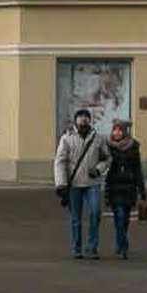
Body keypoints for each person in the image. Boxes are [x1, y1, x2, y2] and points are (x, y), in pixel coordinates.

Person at [53, 109, 110, 260]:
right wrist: (61, 184)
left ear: (89, 121)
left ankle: (92, 247)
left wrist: (98, 169)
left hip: (92, 183)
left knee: (95, 212)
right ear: (75, 121)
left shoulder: (98, 138)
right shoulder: (67, 138)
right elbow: (60, 162)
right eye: (80, 118)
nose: (83, 120)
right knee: (75, 217)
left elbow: (107, 158)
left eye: (86, 118)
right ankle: (76, 248)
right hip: (74, 184)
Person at [103, 119, 146, 259]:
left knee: (125, 218)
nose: (117, 133)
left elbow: (137, 169)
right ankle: (123, 246)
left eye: (120, 130)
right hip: (114, 185)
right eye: (115, 130)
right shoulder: (107, 145)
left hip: (129, 186)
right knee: (119, 216)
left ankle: (120, 242)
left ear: (125, 132)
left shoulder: (133, 146)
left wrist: (142, 190)